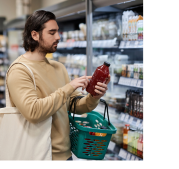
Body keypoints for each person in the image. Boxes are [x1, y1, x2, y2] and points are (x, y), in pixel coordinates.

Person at [6, 10, 110, 161]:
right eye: (52, 32)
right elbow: (33, 112)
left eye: (58, 32)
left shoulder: (58, 68)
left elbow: (75, 106)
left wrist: (94, 96)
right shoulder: (19, 70)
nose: (58, 37)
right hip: (38, 155)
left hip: (65, 155)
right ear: (35, 35)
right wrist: (69, 87)